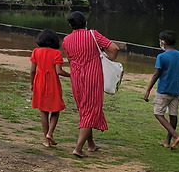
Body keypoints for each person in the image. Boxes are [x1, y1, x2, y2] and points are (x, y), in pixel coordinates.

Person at [61, 10, 119, 158]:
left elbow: (70, 59)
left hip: (76, 78)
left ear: (71, 25)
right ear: (85, 23)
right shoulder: (93, 34)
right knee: (91, 110)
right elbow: (114, 48)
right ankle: (78, 148)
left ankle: (91, 144)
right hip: (92, 77)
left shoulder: (66, 40)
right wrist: (109, 60)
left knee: (84, 109)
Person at [143, 30, 179, 150]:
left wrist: (148, 90)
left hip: (164, 90)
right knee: (173, 115)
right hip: (177, 91)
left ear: (163, 42)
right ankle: (167, 141)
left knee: (158, 113)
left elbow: (156, 74)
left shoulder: (161, 57)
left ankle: (176, 136)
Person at [31, 29, 69, 148]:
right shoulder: (56, 53)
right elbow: (59, 71)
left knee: (43, 110)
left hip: (39, 82)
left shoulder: (36, 51)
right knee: (56, 109)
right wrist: (71, 75)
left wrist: (32, 83)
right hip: (52, 83)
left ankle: (46, 140)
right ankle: (50, 133)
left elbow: (32, 70)